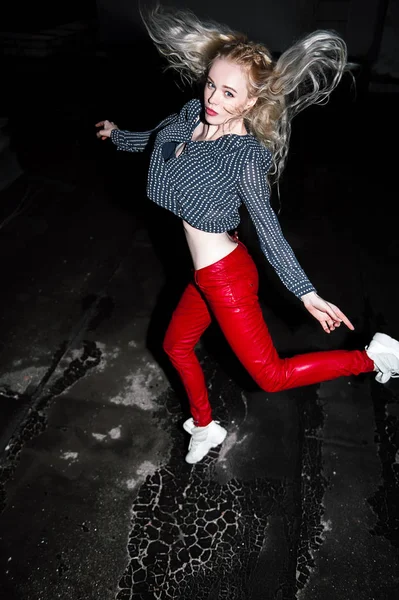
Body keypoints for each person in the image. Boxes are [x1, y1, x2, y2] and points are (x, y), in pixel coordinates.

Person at [96, 5, 399, 464]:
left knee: (270, 376)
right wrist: (118, 135)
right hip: (204, 277)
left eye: (228, 92)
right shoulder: (189, 117)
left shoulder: (244, 156)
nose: (213, 98)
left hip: (227, 279)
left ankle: (374, 358)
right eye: (211, 84)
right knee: (175, 346)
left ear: (252, 102)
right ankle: (204, 426)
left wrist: (306, 294)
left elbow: (269, 230)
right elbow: (154, 139)